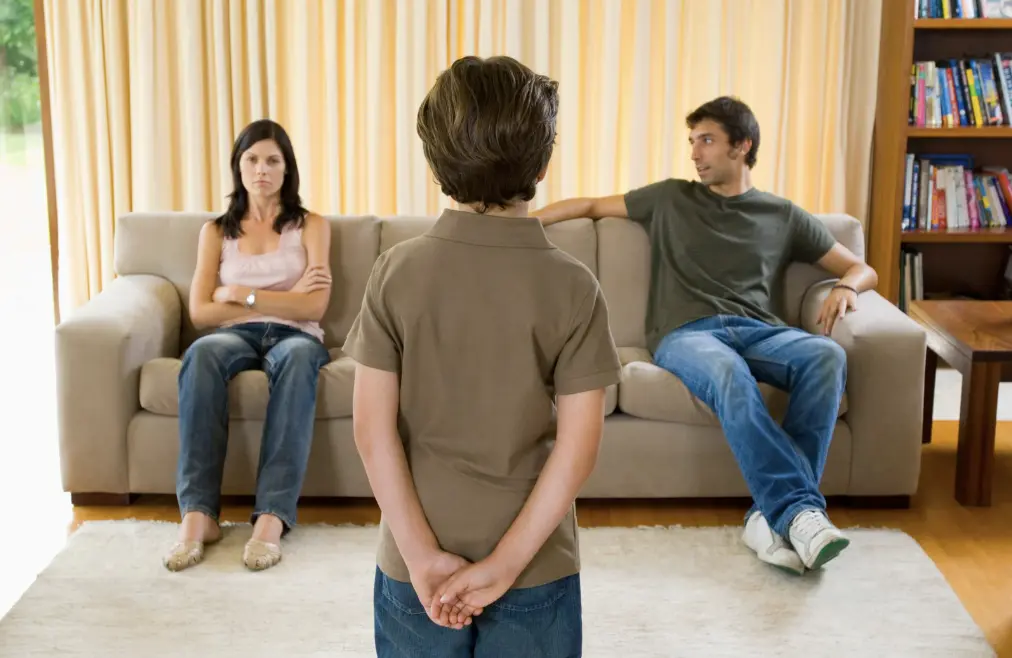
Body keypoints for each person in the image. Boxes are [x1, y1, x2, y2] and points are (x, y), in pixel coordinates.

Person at [343, 55, 621, 656]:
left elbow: (371, 430)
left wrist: (420, 557)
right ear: (543, 164)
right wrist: (505, 564)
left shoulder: (395, 271)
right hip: (535, 563)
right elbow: (580, 447)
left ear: (436, 161)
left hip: (415, 561)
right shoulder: (573, 284)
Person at [533, 96, 878, 575]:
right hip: (687, 335)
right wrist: (526, 223)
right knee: (729, 374)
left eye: (708, 141)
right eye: (692, 142)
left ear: (742, 146)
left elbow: (862, 267)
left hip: (760, 332)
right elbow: (591, 204)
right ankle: (800, 512)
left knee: (826, 356)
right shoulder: (671, 197)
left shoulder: (781, 215)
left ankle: (772, 513)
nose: (695, 153)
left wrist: (846, 287)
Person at [162, 119, 333, 573]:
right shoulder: (216, 232)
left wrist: (241, 294)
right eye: (252, 159)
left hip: (297, 336)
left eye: (273, 160)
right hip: (233, 335)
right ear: (238, 167)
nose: (262, 169)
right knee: (200, 354)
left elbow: (315, 305)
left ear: (287, 168)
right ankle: (198, 516)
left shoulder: (311, 225)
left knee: (297, 359)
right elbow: (200, 312)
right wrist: (285, 297)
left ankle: (271, 519)